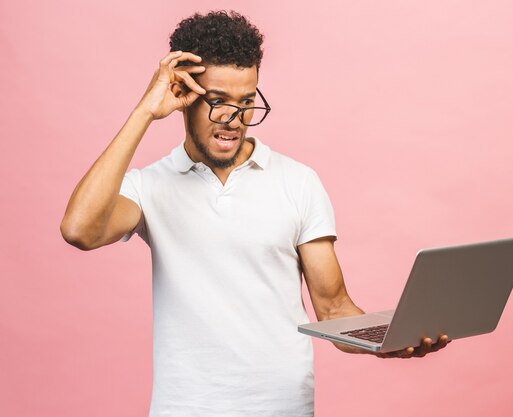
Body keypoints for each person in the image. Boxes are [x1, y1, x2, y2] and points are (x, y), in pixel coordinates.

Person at [60, 10, 450, 417]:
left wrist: (389, 340)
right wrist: (144, 111)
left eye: (246, 102)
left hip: (283, 409)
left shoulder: (298, 182)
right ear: (182, 95)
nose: (235, 120)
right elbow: (78, 229)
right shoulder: (149, 187)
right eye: (218, 103)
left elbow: (333, 309)